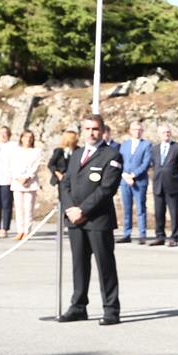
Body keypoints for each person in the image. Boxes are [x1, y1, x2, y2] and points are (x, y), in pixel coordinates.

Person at [58, 114, 123, 325]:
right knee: (79, 265)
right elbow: (65, 184)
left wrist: (82, 210)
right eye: (87, 129)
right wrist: (69, 208)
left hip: (98, 219)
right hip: (75, 220)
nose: (91, 133)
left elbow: (107, 189)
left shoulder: (111, 155)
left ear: (102, 130)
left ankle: (111, 309)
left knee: (105, 265)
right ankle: (78, 306)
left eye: (95, 129)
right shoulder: (76, 154)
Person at [149, 124, 178, 247]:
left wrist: (177, 178)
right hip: (158, 185)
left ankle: (174, 237)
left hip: (172, 185)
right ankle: (160, 236)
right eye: (164, 132)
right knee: (159, 212)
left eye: (168, 132)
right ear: (159, 134)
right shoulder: (154, 149)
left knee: (173, 213)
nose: (166, 134)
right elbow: (153, 165)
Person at [118, 121, 153, 245]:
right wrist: (124, 175)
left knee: (140, 208)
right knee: (126, 208)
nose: (137, 132)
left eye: (139, 130)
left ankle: (142, 234)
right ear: (130, 131)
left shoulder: (147, 145)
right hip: (124, 180)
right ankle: (127, 233)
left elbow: (146, 163)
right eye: (134, 129)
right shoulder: (124, 145)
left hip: (139, 181)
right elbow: (120, 161)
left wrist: (133, 175)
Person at [9, 130, 43, 241]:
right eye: (26, 137)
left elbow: (36, 165)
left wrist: (28, 177)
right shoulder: (15, 151)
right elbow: (12, 165)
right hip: (17, 181)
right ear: (21, 138)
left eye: (30, 137)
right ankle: (20, 230)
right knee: (19, 208)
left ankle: (27, 231)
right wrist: (18, 178)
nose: (28, 139)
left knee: (28, 208)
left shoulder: (36, 151)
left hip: (30, 182)